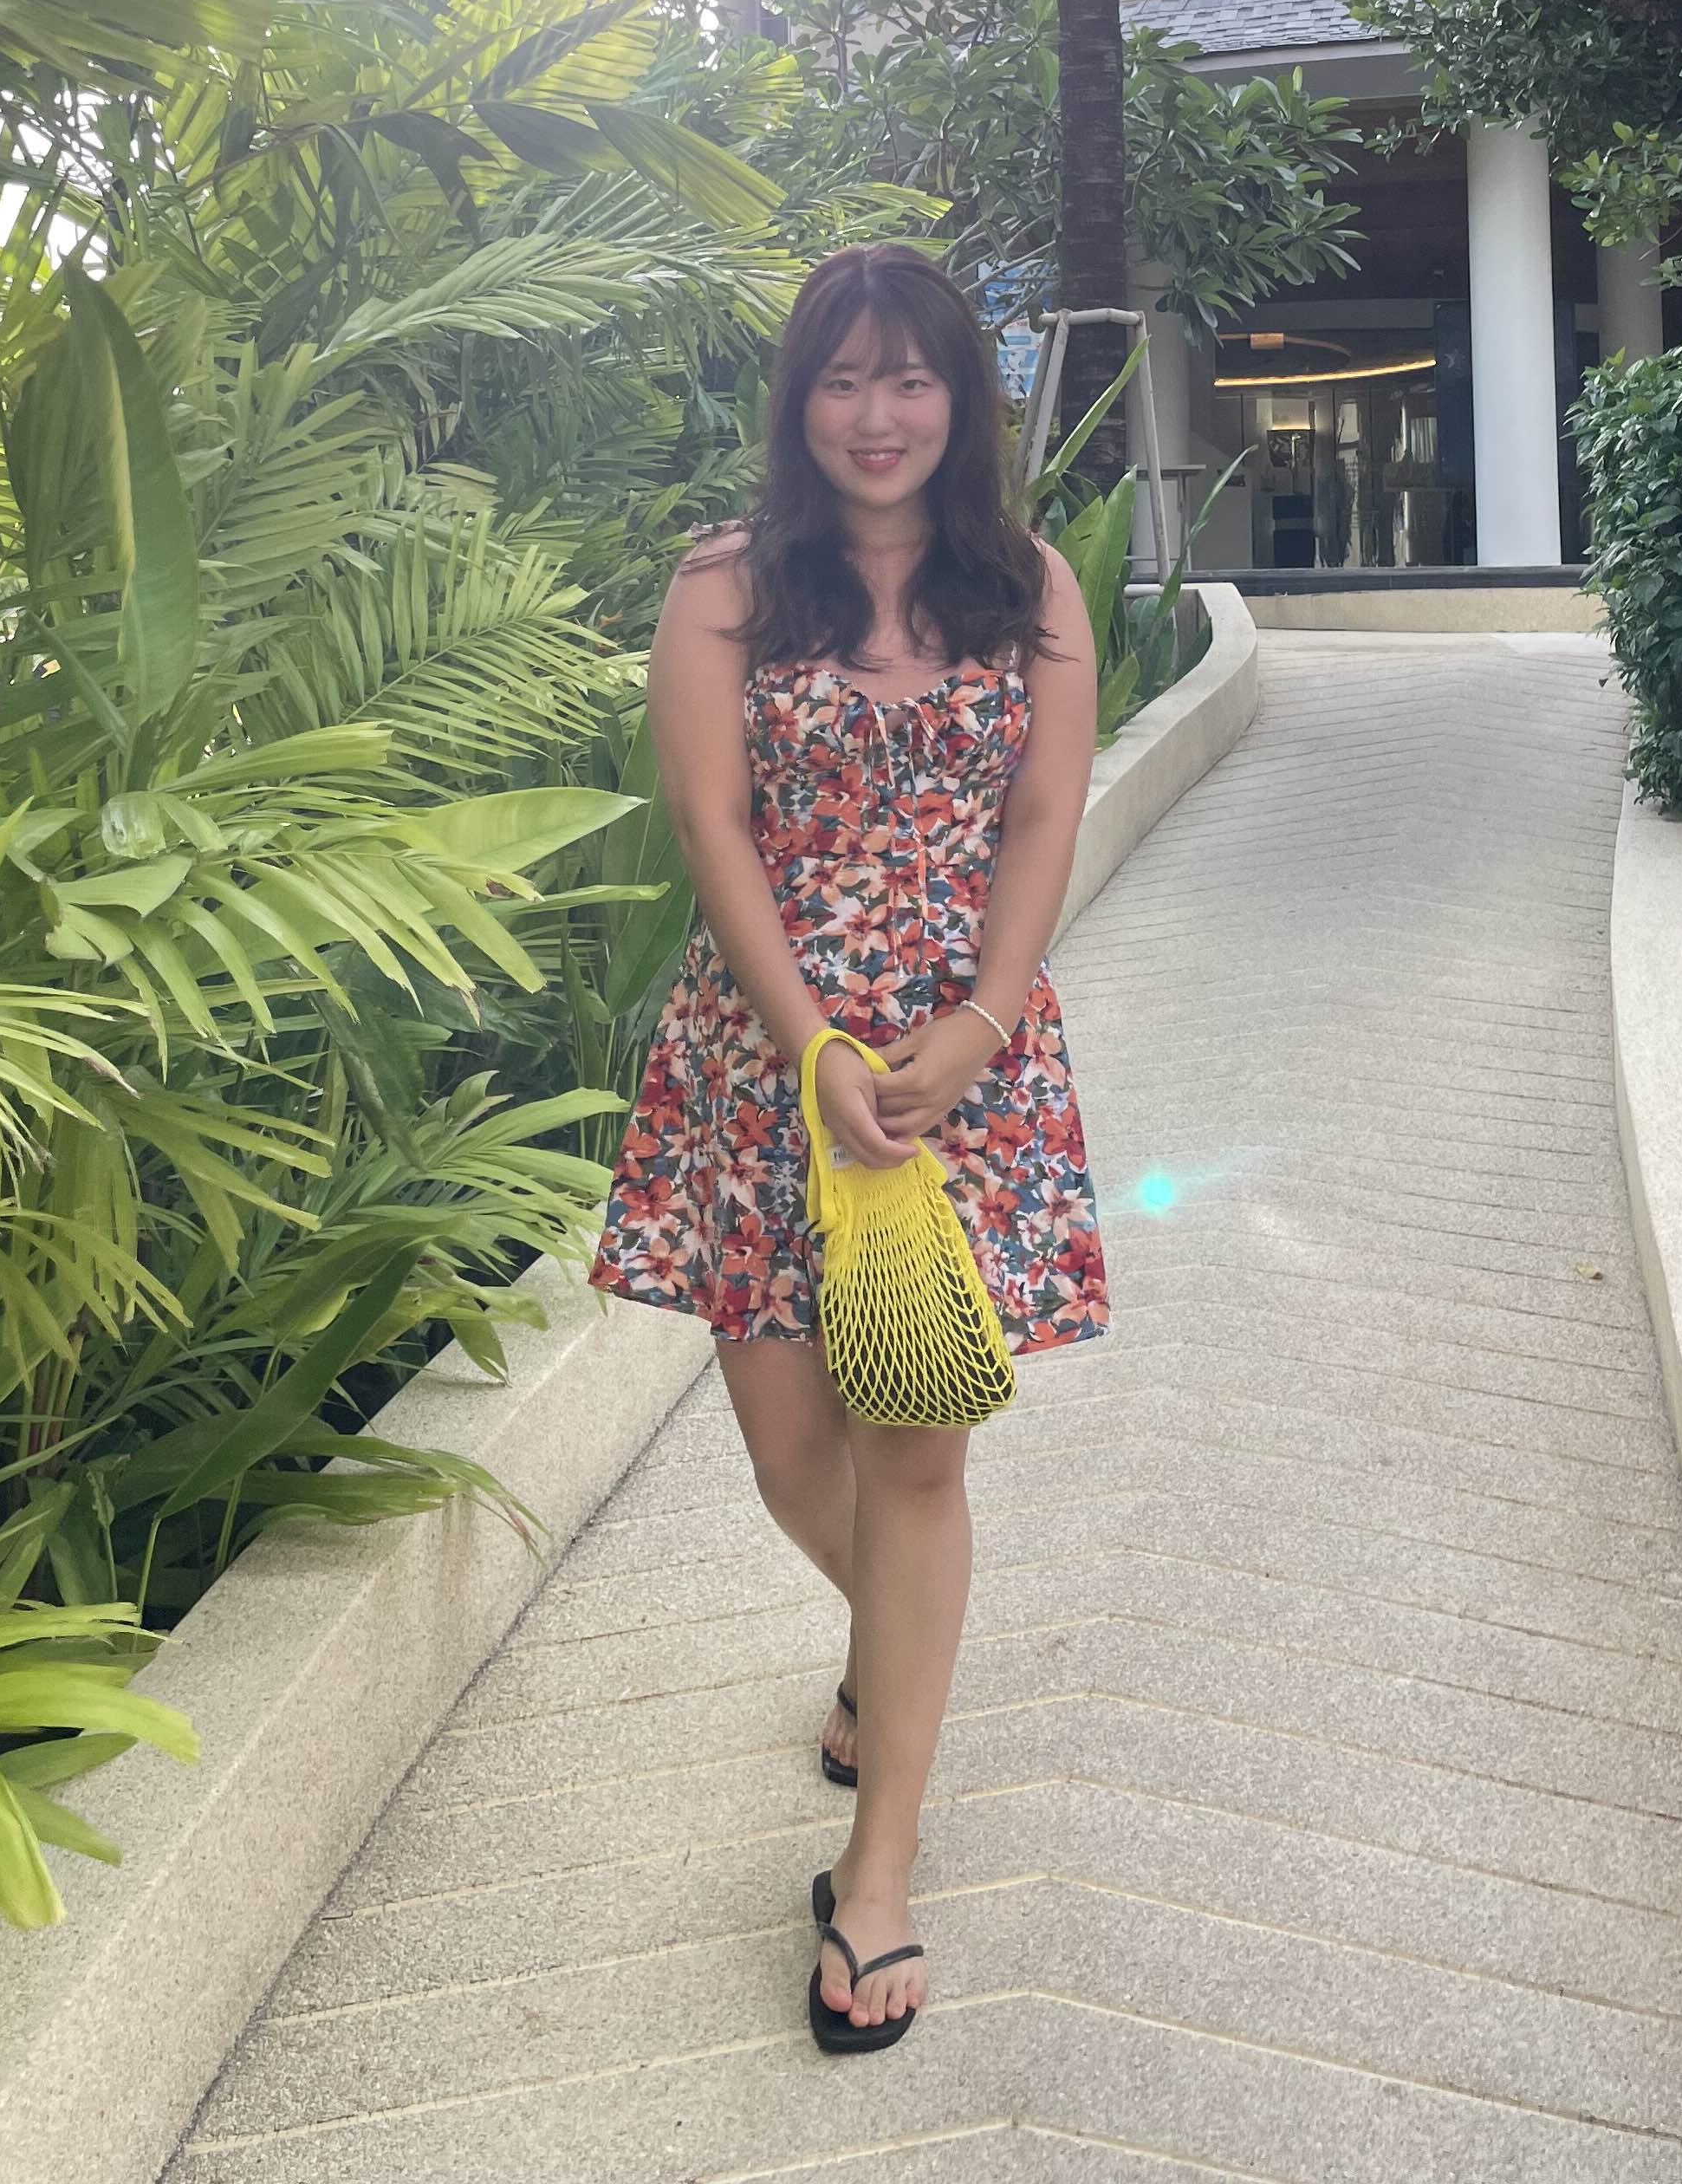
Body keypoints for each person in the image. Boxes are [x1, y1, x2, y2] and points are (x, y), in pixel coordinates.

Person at [590, 242, 1110, 2051]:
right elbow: (711, 825)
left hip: (962, 1075)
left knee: (914, 1455)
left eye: (911, 379)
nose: (877, 416)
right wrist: (814, 1043)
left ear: (962, 399)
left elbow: (1044, 815)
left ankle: (877, 1873)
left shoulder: (1031, 587)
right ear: (797, 400)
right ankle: (894, 1650)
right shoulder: (726, 588)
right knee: (793, 1454)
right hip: (767, 1067)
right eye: (842, 378)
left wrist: (978, 1027)